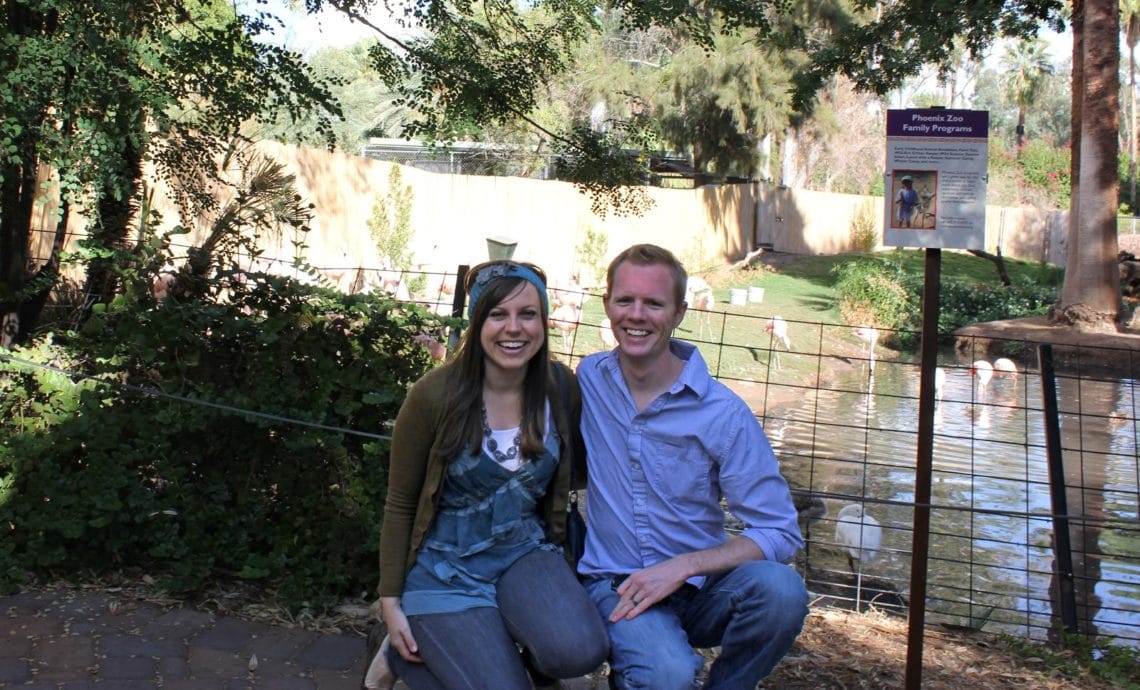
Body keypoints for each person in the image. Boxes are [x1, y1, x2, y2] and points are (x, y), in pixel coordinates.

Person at [576, 244, 808, 690]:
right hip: (616, 582)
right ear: (607, 305)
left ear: (679, 312)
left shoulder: (724, 414)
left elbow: (780, 531)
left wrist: (684, 566)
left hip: (701, 587)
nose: (637, 315)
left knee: (782, 592)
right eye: (625, 300)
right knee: (667, 675)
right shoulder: (591, 378)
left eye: (654, 303)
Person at [371, 260, 608, 690]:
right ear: (477, 321)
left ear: (544, 321)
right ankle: (399, 653)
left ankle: (484, 648)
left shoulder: (559, 387)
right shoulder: (434, 395)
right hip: (446, 565)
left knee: (581, 651)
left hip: (522, 550)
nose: (513, 328)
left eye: (527, 314)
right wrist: (391, 602)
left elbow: (585, 473)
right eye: (498, 314)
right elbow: (401, 502)